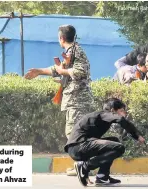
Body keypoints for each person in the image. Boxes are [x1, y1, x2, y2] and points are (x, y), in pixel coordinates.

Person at [24, 24, 94, 176]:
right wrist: (39, 71)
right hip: (74, 100)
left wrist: (63, 71)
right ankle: (82, 165)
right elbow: (57, 69)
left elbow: (80, 72)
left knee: (74, 132)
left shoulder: (77, 51)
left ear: (61, 38)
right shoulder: (71, 52)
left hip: (78, 100)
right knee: (77, 133)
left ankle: (84, 166)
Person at [65, 98, 145, 186]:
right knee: (119, 147)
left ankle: (102, 177)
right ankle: (85, 166)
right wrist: (137, 136)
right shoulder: (104, 114)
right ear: (112, 110)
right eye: (121, 111)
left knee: (114, 141)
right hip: (79, 146)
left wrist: (84, 176)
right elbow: (121, 120)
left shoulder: (101, 117)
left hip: (79, 146)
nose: (124, 113)